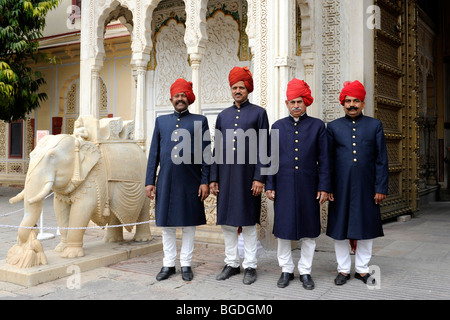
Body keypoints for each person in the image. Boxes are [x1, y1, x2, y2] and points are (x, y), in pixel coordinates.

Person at [265, 78, 331, 290]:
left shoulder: (317, 126)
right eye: (292, 102)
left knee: (309, 231)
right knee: (283, 231)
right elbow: (270, 158)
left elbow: (325, 160)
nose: (295, 106)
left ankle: (305, 271)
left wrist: (323, 187)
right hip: (283, 187)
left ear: (306, 103)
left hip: (308, 187)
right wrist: (270, 184)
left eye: (299, 102)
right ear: (286, 103)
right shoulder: (277, 126)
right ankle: (286, 270)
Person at [145, 78, 210, 282]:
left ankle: (186, 264)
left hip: (191, 180)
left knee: (189, 225)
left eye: (183, 95)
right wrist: (149, 181)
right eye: (176, 96)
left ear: (188, 98)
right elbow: (153, 153)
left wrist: (205, 181)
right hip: (165, 181)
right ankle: (168, 264)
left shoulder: (200, 121)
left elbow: (207, 155)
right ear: (171, 99)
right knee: (167, 226)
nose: (180, 99)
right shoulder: (161, 122)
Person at [209, 66, 269, 285]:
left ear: (248, 89)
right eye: (234, 87)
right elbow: (216, 149)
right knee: (227, 224)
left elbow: (264, 147)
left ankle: (251, 265)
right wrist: (214, 178)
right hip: (225, 177)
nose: (237, 91)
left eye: (241, 87)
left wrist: (259, 177)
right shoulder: (223, 116)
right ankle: (232, 263)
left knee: (249, 223)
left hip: (248, 178)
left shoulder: (259, 113)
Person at [326, 80, 389, 285]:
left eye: (356, 101)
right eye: (348, 101)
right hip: (340, 187)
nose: (351, 104)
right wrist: (327, 187)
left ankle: (362, 269)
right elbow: (327, 160)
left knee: (366, 228)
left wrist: (380, 187)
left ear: (363, 104)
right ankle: (343, 270)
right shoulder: (333, 127)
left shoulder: (374, 125)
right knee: (340, 229)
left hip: (367, 187)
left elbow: (381, 159)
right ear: (342, 103)